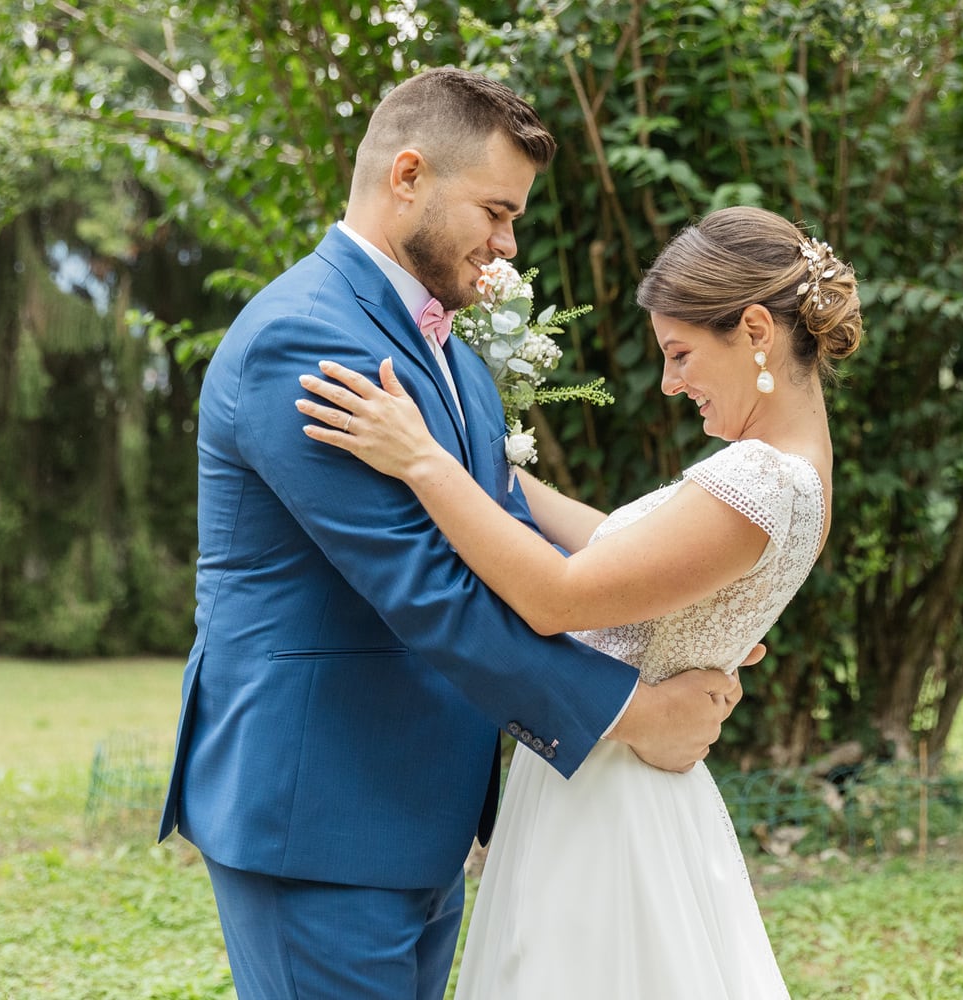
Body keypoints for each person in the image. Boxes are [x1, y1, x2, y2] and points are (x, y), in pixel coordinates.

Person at [156, 67, 750, 1000]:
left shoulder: (458, 363)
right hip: (318, 810)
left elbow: (511, 547)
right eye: (496, 212)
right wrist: (636, 714)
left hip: (421, 810)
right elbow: (431, 590)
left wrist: (684, 615)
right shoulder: (304, 340)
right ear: (408, 176)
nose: (508, 246)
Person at [298, 204, 863, 998]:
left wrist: (423, 463)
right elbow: (618, 550)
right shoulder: (796, 470)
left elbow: (557, 598)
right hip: (628, 781)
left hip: (609, 799)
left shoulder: (759, 477)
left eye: (681, 354)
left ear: (756, 330)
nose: (670, 384)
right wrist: (490, 468)